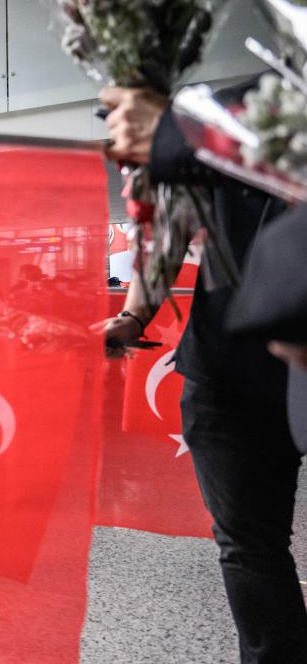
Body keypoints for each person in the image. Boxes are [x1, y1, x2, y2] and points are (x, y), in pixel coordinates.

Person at [94, 82, 306, 662]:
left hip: (295, 352)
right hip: (226, 371)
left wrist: (172, 128)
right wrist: (134, 315)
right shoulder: (217, 114)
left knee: (250, 547)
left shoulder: (221, 120)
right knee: (249, 546)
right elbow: (169, 233)